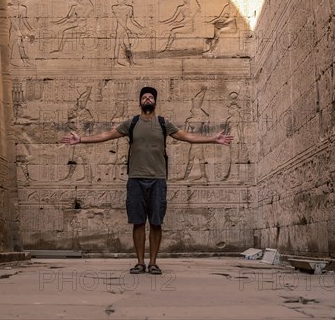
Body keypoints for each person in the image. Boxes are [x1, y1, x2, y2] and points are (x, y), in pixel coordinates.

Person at [61, 87, 233, 275]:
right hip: (135, 179)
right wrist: (81, 140)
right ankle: (140, 263)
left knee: (156, 222)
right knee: (138, 222)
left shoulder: (163, 123)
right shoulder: (132, 123)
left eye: (151, 97)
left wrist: (213, 139)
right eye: (144, 97)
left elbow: (188, 137)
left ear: (155, 102)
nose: (148, 99)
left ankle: (153, 263)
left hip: (158, 179)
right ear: (140, 102)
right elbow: (106, 135)